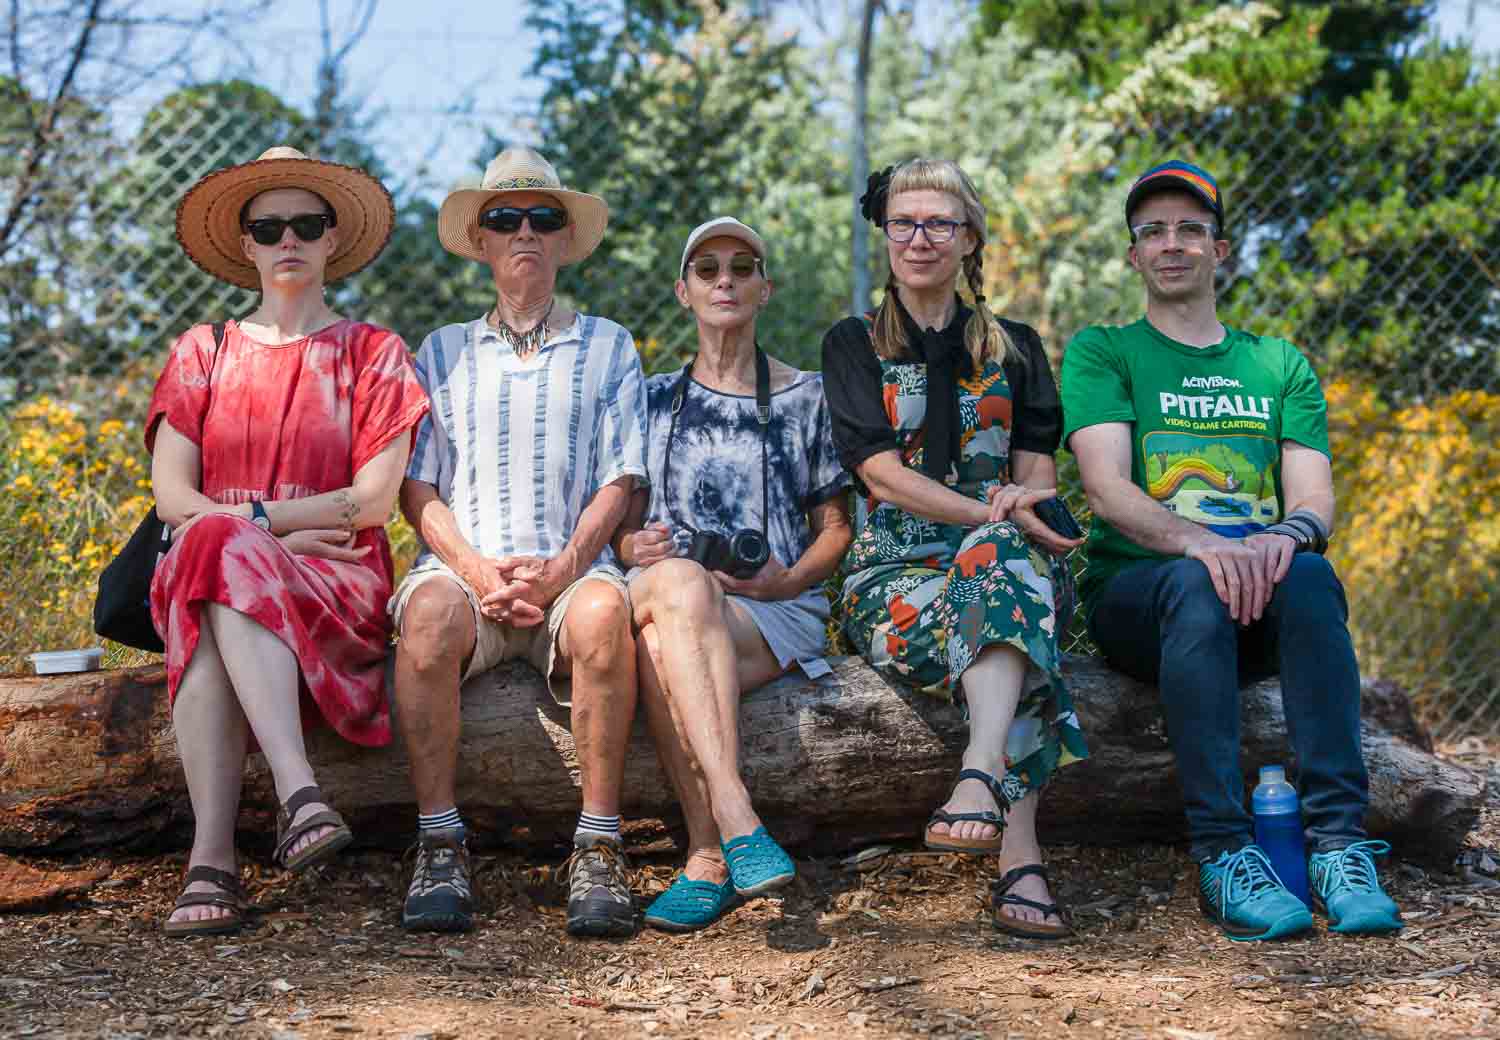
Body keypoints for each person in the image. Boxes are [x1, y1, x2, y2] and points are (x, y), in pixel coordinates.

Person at [1061, 159, 1402, 940]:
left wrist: (1283, 539)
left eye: (1190, 229)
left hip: (1261, 597)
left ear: (1219, 251)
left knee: (1311, 577)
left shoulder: (1277, 363)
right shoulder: (1105, 351)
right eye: (1153, 231)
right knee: (1193, 585)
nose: (1171, 243)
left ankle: (1339, 847)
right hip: (1145, 600)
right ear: (1134, 255)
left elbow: (1314, 500)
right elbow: (1107, 489)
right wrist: (1204, 546)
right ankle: (1223, 853)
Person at [151, 146, 429, 937]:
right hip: (243, 560)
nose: (289, 240)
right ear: (247, 244)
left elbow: (372, 504)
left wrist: (255, 526)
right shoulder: (201, 351)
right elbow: (171, 497)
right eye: (269, 228)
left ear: (333, 237)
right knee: (215, 553)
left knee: (216, 550)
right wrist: (278, 530)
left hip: (335, 579)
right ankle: (297, 793)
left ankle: (212, 860)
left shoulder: (374, 352)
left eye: (307, 223)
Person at [821, 159, 1088, 941]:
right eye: (904, 223)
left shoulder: (1018, 348)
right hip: (894, 576)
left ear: (969, 238)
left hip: (1006, 562)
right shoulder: (853, 342)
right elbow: (879, 474)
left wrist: (1019, 511)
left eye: (940, 223)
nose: (920, 239)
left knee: (1005, 572)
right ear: (884, 234)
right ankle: (1022, 856)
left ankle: (977, 778)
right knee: (1010, 590)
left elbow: (1036, 480)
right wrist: (988, 514)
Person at [390, 147, 647, 938]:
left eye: (544, 217)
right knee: (426, 616)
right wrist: (476, 572)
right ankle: (439, 844)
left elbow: (621, 478)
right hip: (467, 576)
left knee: (604, 615)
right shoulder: (441, 350)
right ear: (482, 240)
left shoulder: (610, 345)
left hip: (569, 575)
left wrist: (561, 570)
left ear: (566, 239)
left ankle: (599, 848)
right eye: (505, 218)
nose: (524, 231)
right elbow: (417, 487)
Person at [612, 218, 853, 932]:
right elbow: (620, 531)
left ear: (764, 289)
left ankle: (707, 859)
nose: (725, 280)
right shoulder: (651, 398)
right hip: (666, 586)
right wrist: (635, 546)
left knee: (658, 649)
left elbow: (836, 529)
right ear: (682, 291)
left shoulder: (806, 396)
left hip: (768, 608)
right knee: (683, 585)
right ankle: (737, 814)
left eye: (742, 268)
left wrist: (785, 581)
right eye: (708, 268)